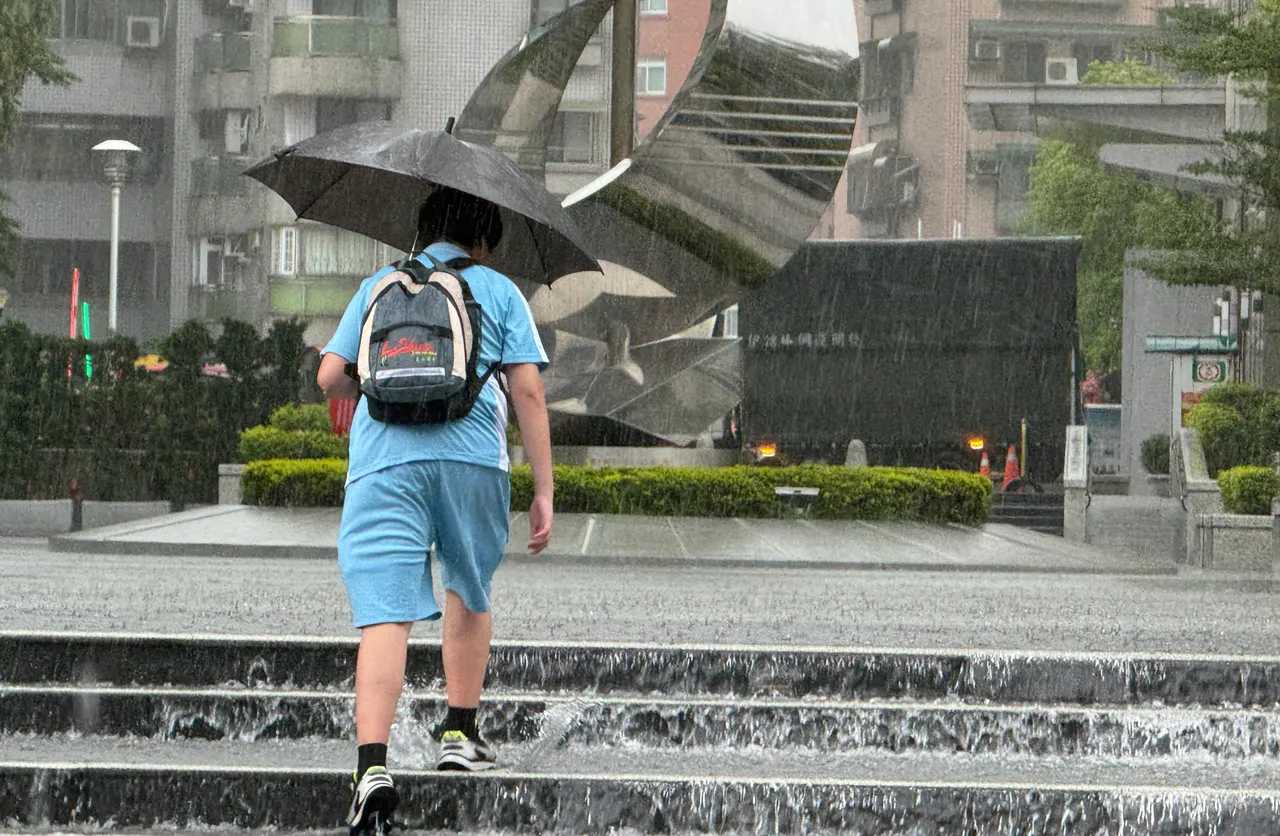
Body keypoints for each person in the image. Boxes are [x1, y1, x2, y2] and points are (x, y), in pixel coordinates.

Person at [316, 187, 554, 835]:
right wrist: (544, 489)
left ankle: (371, 770)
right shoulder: (499, 291)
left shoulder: (378, 285)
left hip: (383, 461)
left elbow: (330, 376)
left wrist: (382, 381)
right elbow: (528, 391)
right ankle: (460, 734)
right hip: (472, 459)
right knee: (467, 590)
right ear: (483, 240)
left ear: (423, 231)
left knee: (386, 615)